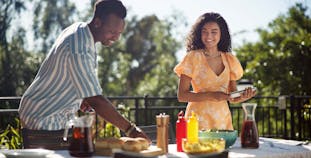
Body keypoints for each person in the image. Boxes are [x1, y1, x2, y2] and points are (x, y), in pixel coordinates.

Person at [18, 0, 150, 149]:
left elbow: (66, 76)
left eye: (119, 33)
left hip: (45, 113)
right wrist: (131, 130)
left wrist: (79, 98)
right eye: (112, 32)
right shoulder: (79, 47)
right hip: (45, 116)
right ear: (98, 22)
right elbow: (96, 99)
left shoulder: (79, 30)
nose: (116, 38)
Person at [174, 12, 256, 130]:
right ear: (199, 33)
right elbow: (182, 95)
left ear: (221, 33)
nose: (209, 36)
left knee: (225, 148)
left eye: (214, 32)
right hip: (197, 120)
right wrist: (213, 95)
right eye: (205, 31)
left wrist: (243, 97)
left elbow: (232, 96)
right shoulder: (192, 57)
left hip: (222, 121)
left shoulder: (229, 59)